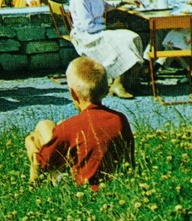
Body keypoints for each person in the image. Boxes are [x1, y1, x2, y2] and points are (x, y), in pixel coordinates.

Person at [25, 56, 134, 188]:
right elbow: (129, 157)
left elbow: (41, 164)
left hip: (81, 190)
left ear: (73, 93)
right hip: (113, 183)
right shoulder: (120, 119)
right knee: (57, 125)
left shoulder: (70, 127)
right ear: (106, 90)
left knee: (40, 130)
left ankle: (33, 187)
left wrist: (30, 144)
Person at [67, 0, 145, 99]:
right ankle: (118, 83)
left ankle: (133, 80)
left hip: (99, 30)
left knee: (133, 37)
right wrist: (110, 26)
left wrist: (123, 2)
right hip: (87, 36)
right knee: (119, 42)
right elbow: (89, 26)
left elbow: (104, 5)